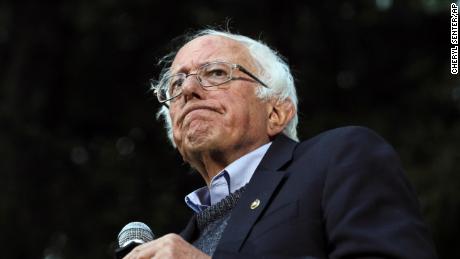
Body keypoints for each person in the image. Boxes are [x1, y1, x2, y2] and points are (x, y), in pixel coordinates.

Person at [123, 29, 438, 258]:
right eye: (175, 84)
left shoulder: (340, 157)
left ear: (276, 112)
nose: (189, 89)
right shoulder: (184, 239)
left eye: (216, 73)